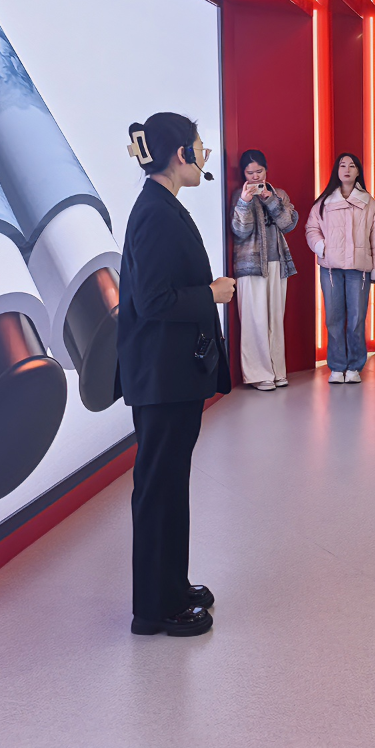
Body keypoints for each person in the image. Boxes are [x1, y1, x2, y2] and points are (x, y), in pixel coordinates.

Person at [120, 111, 231, 637]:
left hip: (172, 376)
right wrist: (211, 294)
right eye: (200, 146)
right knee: (159, 489)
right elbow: (153, 301)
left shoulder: (161, 204)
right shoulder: (155, 213)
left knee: (169, 484)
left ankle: (171, 585)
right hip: (162, 378)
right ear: (181, 154)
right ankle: (154, 609)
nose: (205, 154)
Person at [305, 153, 375, 384]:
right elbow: (311, 229)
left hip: (358, 269)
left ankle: (354, 366)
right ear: (336, 170)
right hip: (330, 268)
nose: (347, 169)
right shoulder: (324, 202)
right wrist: (323, 247)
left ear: (358, 171)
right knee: (333, 318)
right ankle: (337, 366)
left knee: (356, 318)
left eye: (352, 166)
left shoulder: (369, 203)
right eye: (342, 165)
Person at [230, 149, 297, 392]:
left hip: (277, 262)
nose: (256, 176)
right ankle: (259, 374)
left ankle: (278, 371)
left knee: (275, 319)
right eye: (250, 173)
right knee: (254, 320)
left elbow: (288, 224)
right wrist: (245, 202)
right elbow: (240, 231)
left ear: (266, 170)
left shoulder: (278, 194)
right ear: (243, 174)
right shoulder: (239, 195)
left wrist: (270, 199)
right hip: (250, 265)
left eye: (259, 171)